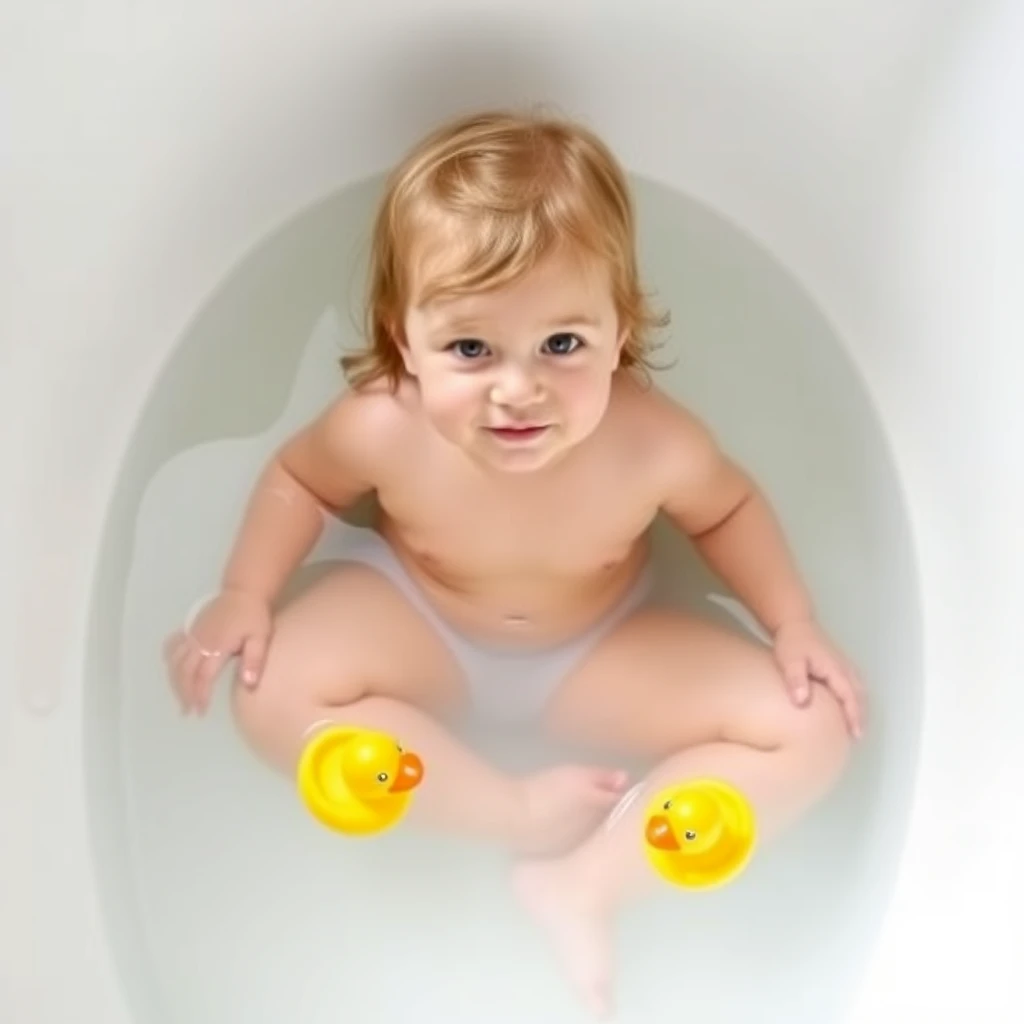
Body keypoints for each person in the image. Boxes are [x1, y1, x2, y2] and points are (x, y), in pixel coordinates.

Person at [163, 108, 863, 1018]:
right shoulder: (384, 426)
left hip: (604, 650)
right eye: (470, 348)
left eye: (563, 344)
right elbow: (302, 480)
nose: (519, 386)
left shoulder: (651, 444)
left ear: (620, 331)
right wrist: (246, 593)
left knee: (812, 730)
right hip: (418, 622)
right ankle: (504, 808)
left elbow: (728, 508)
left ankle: (586, 880)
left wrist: (792, 619)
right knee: (269, 695)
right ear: (403, 339)